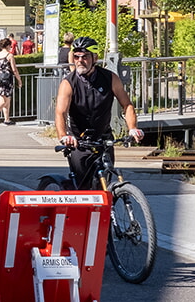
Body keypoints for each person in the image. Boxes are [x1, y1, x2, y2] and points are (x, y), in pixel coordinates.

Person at [54, 36, 143, 189]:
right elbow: (61, 112)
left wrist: (133, 128)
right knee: (84, 189)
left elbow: (127, 104)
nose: (80, 60)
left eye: (85, 56)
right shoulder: (68, 82)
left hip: (104, 139)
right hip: (79, 142)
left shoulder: (109, 78)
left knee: (105, 184)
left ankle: (108, 210)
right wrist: (64, 136)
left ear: (95, 57)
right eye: (76, 56)